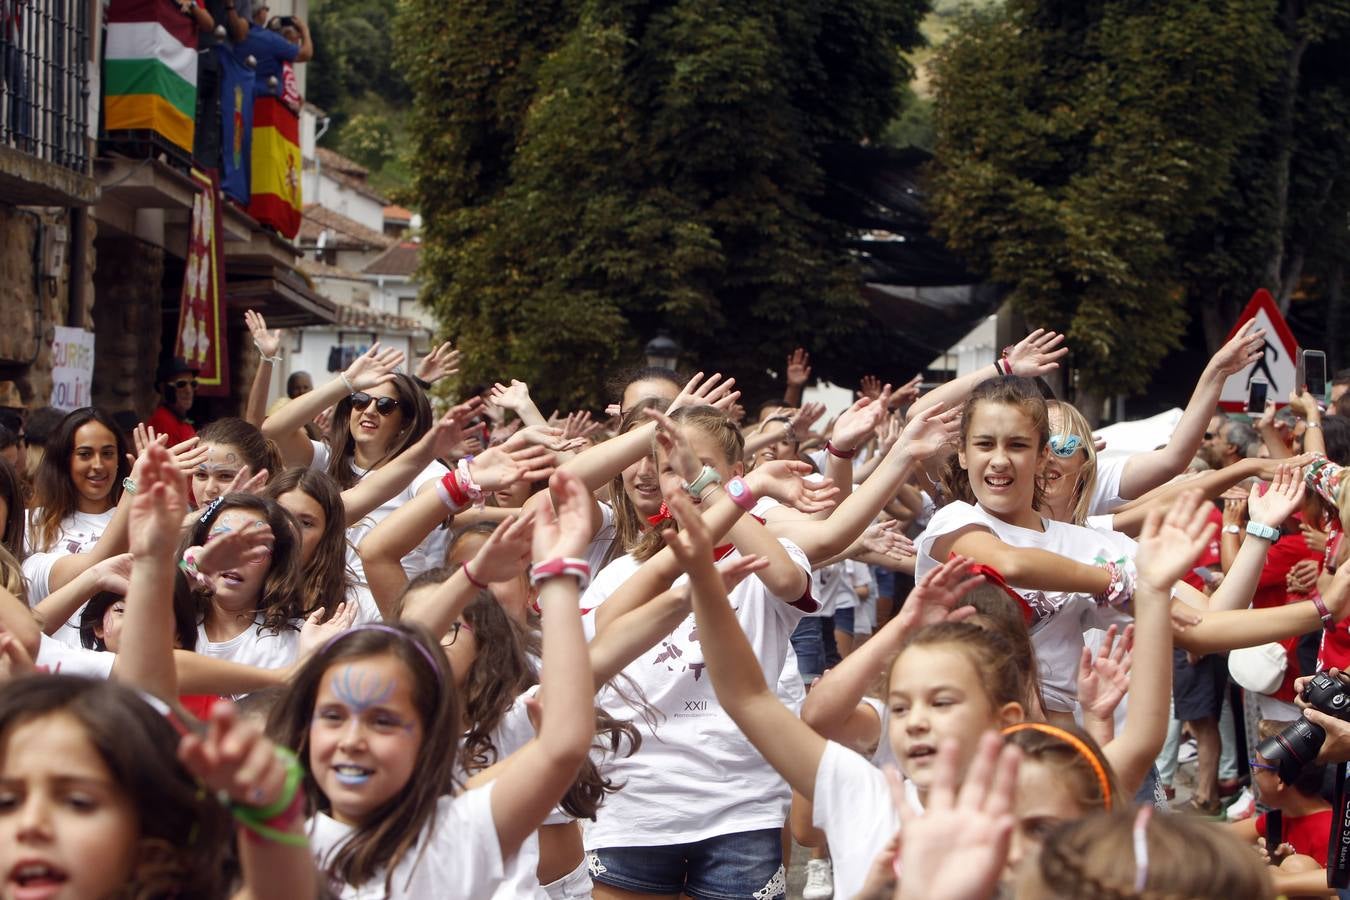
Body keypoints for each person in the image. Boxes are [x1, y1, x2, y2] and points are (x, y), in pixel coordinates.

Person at [1227, 720, 1332, 896]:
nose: (1254, 774)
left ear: (1280, 780)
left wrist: (1278, 875)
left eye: (1256, 766)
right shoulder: (1280, 818)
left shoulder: (1328, 829)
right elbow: (1219, 837)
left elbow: (1340, 891)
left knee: (1296, 865)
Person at [146, 359, 199, 445]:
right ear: (163, 388)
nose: (189, 390)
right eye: (181, 384)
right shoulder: (162, 421)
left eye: (193, 384)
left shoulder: (183, 422)